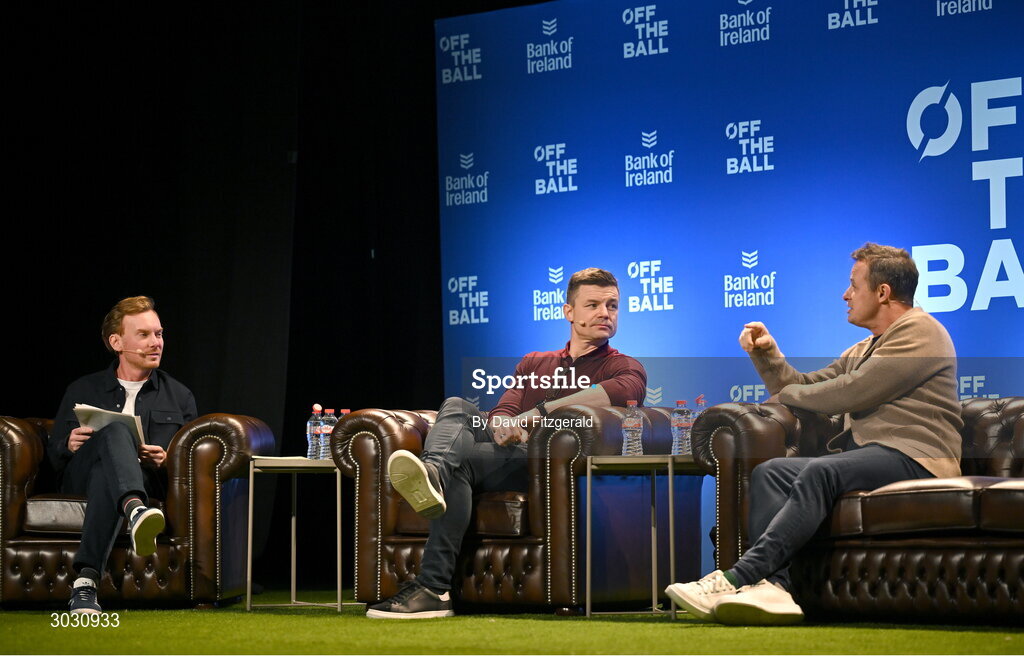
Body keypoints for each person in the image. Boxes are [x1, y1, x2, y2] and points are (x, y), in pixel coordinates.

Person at [666, 243, 963, 625]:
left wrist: (788, 393)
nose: (846, 294)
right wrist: (767, 355)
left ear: (883, 292)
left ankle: (737, 577)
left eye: (854, 285)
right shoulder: (863, 347)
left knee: (820, 471)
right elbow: (806, 386)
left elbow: (852, 390)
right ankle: (776, 590)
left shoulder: (922, 332)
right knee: (771, 472)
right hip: (874, 456)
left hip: (918, 459)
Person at [366, 268, 647, 618]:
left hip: (547, 467)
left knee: (463, 461)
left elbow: (618, 393)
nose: (605, 313)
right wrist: (501, 424)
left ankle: (433, 587)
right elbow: (504, 409)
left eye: (612, 305)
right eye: (593, 304)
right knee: (457, 406)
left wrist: (532, 416)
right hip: (506, 454)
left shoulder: (623, 366)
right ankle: (434, 474)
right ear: (569, 312)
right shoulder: (535, 362)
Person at [51, 296, 197, 615]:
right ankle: (135, 511)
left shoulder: (179, 395)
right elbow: (53, 456)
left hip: (147, 479)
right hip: (81, 479)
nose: (155, 342)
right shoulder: (82, 389)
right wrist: (68, 444)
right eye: (143, 335)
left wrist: (167, 461)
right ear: (116, 341)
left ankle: (86, 583)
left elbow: (188, 465)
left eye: (158, 334)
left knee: (110, 472)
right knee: (115, 433)